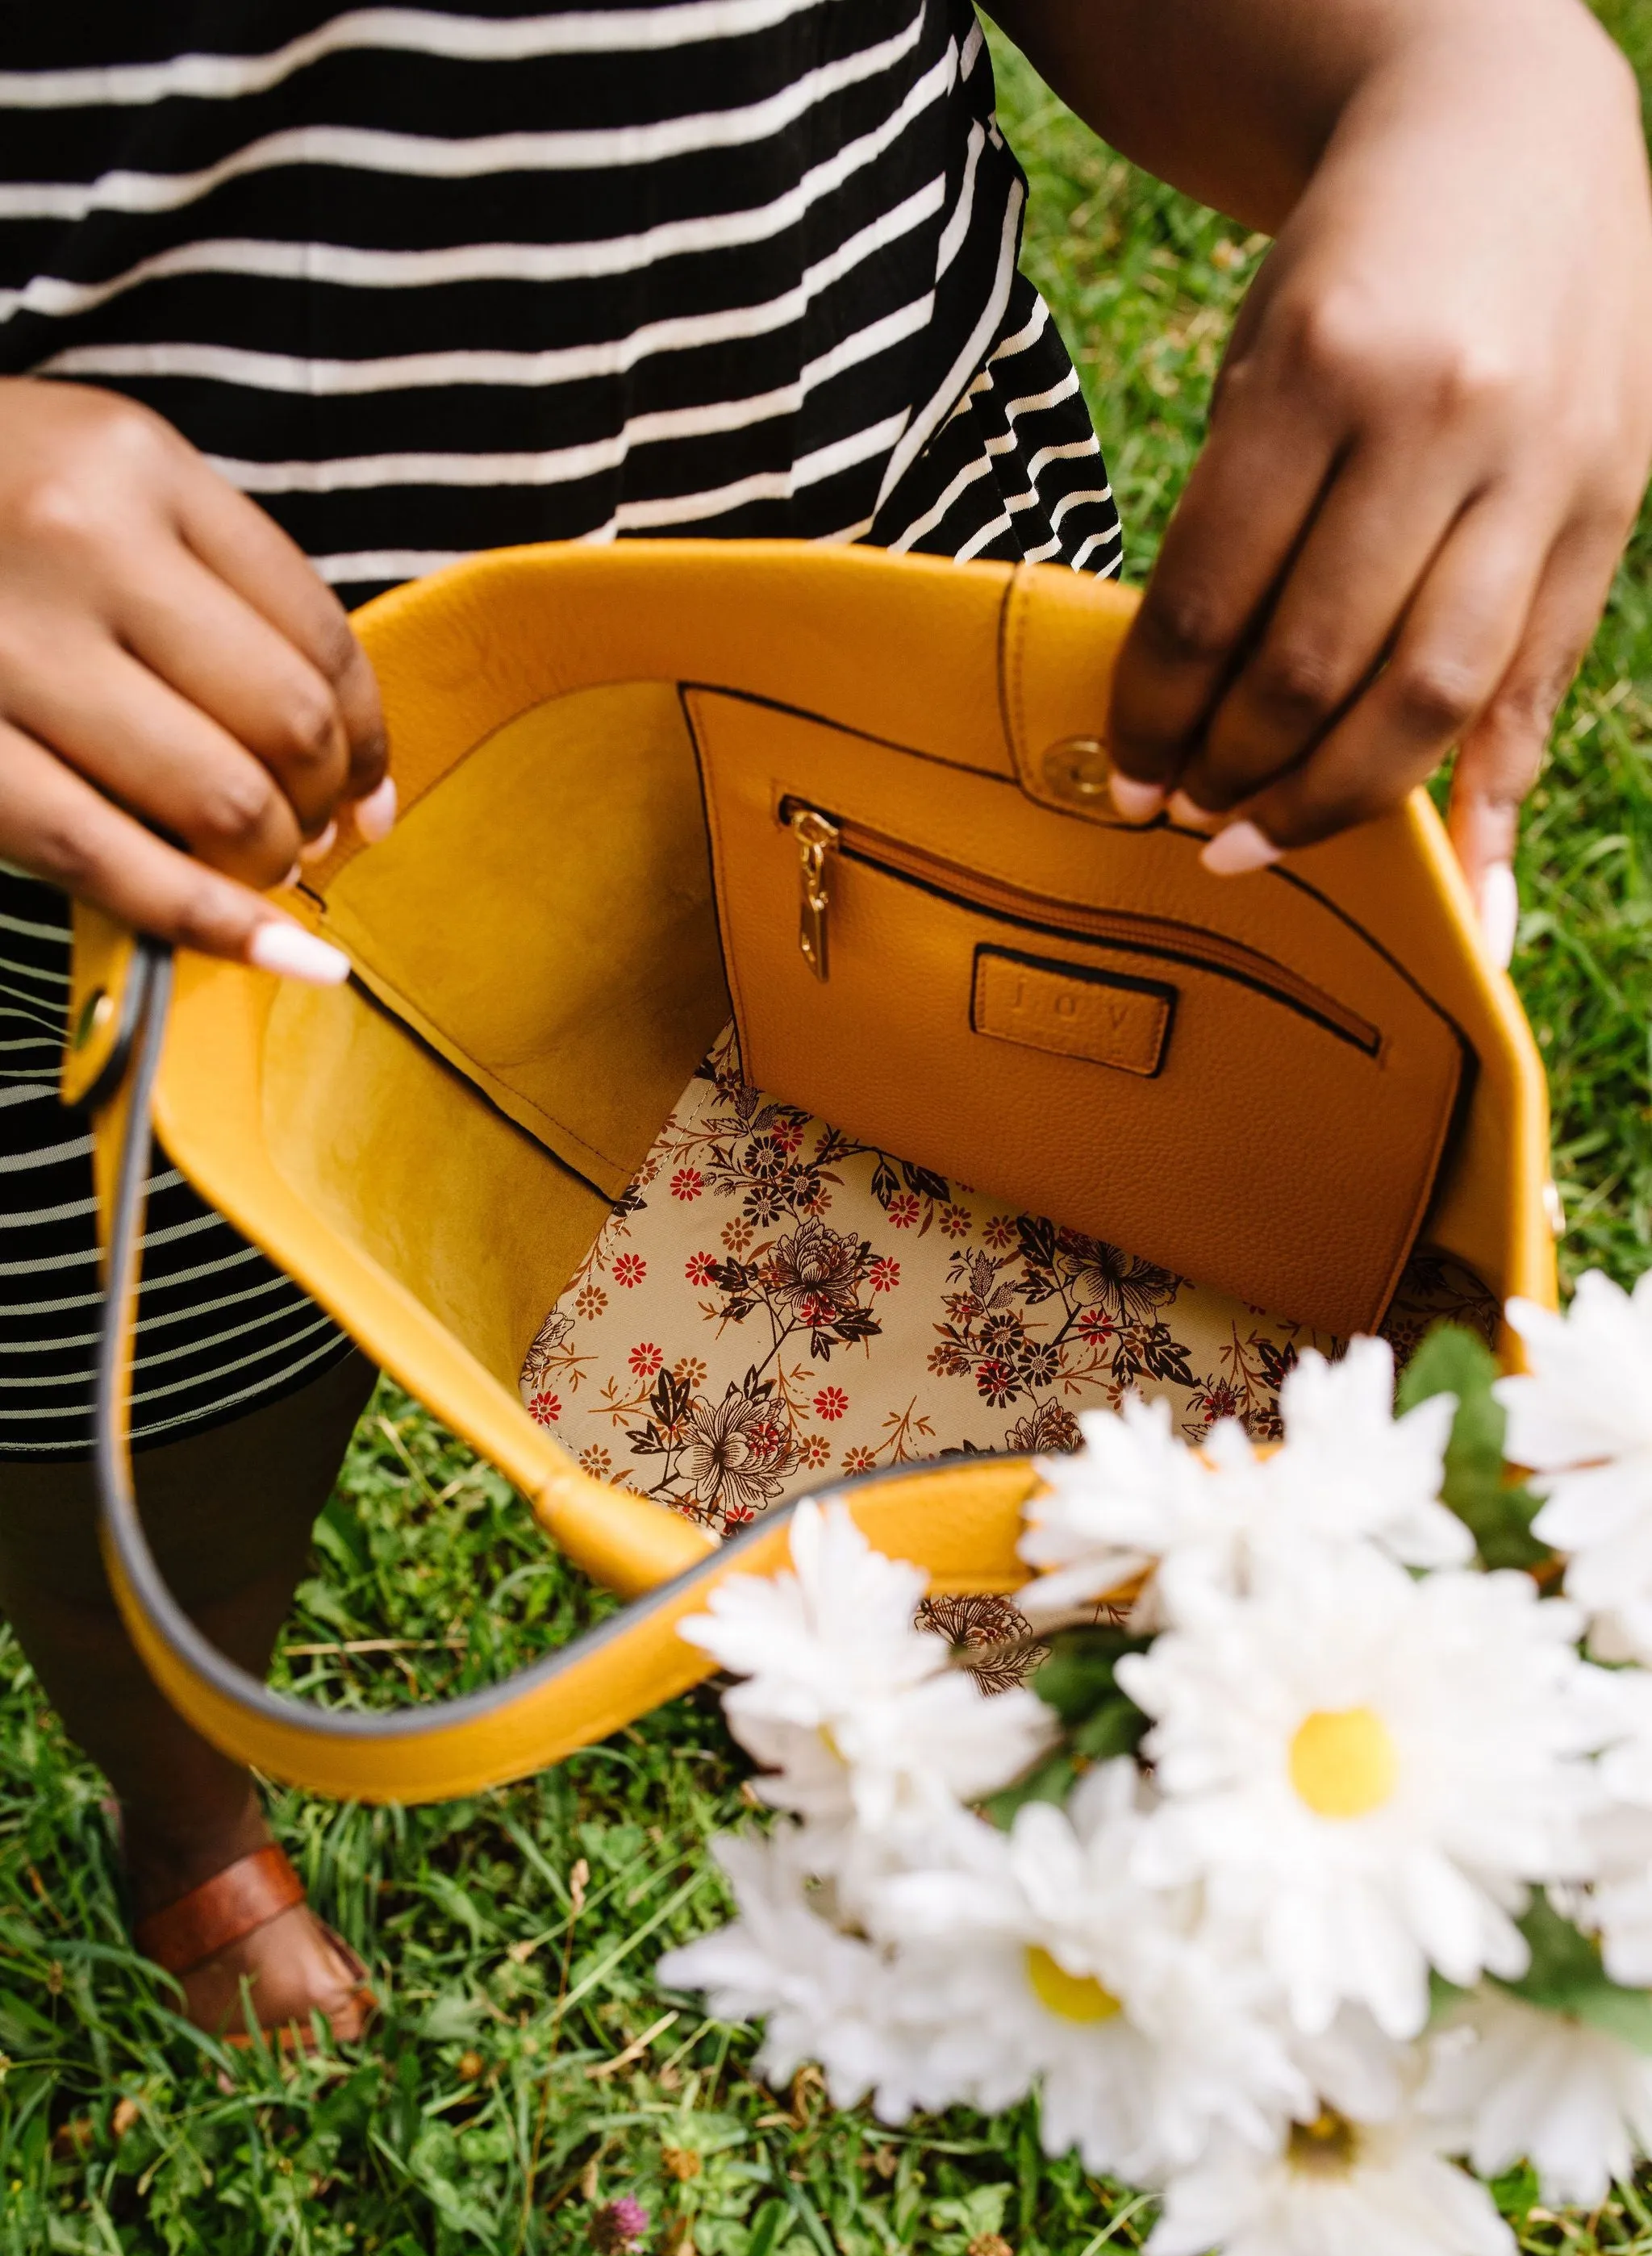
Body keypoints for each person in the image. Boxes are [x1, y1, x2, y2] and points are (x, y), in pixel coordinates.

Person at [0, 0, 1647, 2042]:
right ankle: (186, 1803)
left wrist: (1482, 79)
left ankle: (851, 1701)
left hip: (901, 657)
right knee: (139, 1423)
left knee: (1120, 1227)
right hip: (107, 815)